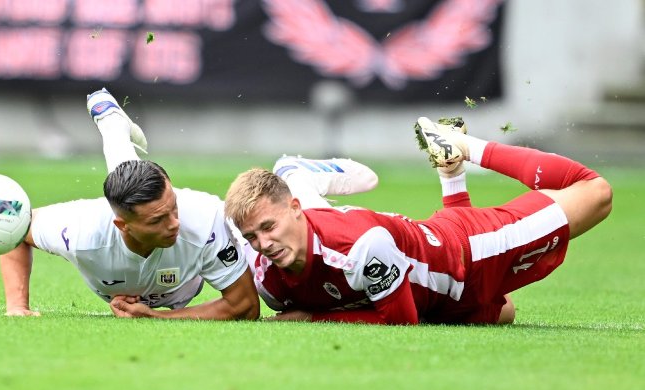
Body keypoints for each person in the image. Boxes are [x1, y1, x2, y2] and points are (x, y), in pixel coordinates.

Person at [0, 88, 377, 320]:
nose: (174, 223)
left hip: (193, 269)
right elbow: (15, 229)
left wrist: (159, 317)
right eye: (161, 219)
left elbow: (245, 308)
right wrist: (17, 306)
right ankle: (113, 124)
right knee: (123, 186)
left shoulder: (201, 218)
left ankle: (296, 174)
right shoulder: (81, 230)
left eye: (173, 206)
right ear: (123, 227)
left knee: (294, 238)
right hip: (119, 223)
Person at [223, 117, 613, 325]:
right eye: (251, 236)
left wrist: (313, 317)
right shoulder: (266, 274)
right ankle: (451, 174)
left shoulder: (361, 246)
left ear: (294, 210)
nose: (263, 244)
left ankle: (465, 147)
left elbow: (401, 321)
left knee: (594, 193)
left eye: (268, 228)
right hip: (436, 275)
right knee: (505, 311)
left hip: (474, 252)